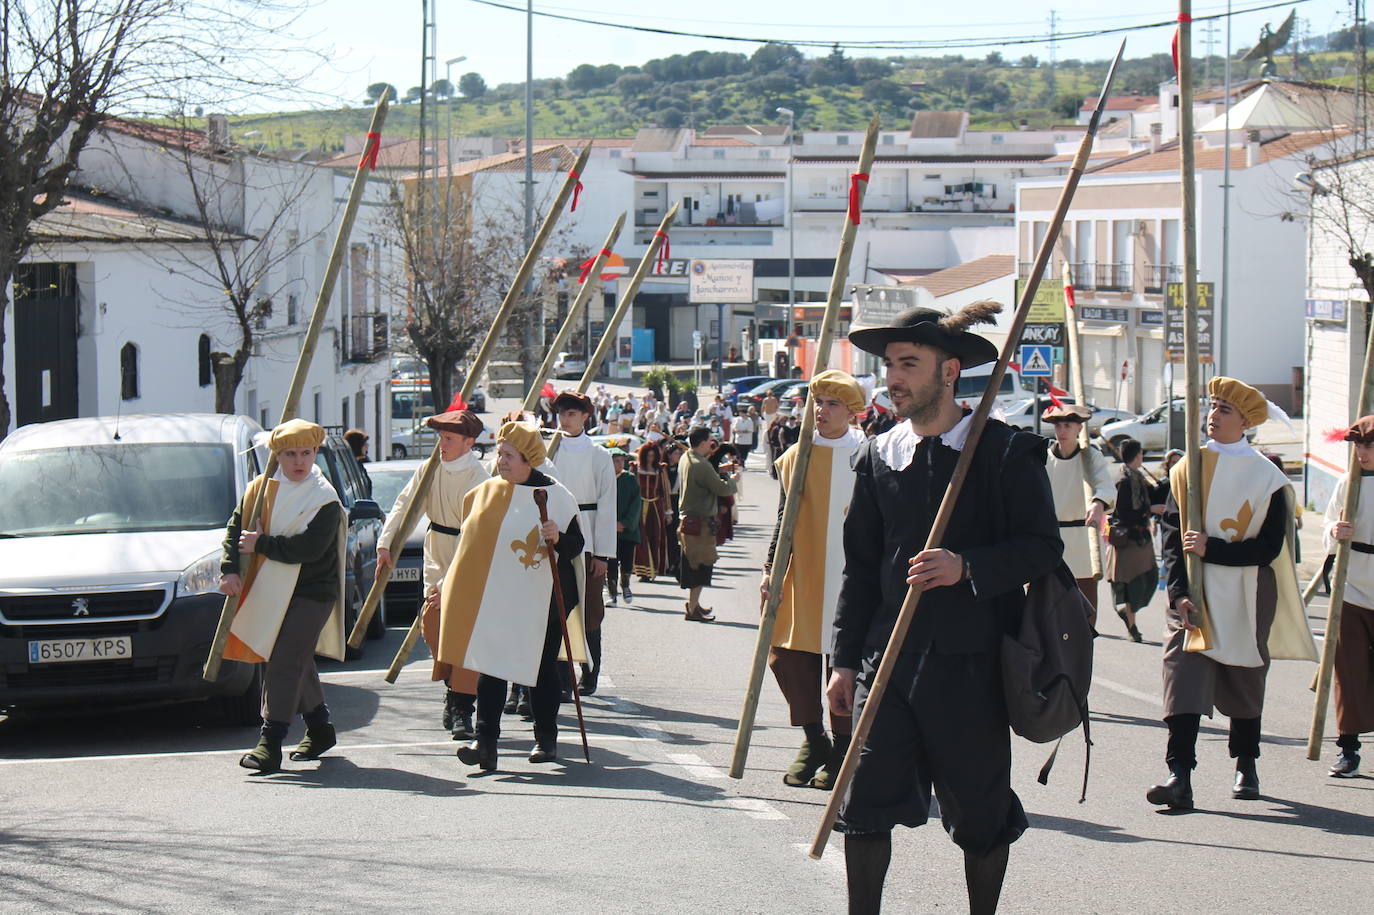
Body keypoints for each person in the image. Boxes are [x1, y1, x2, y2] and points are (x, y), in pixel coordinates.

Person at [828, 302, 1062, 915]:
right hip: (890, 664)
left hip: (973, 665)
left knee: (981, 815)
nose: (893, 378)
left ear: (950, 371)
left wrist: (969, 567)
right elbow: (860, 569)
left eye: (909, 363)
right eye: (889, 365)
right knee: (863, 805)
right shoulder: (880, 456)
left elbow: (1042, 548)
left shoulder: (1006, 452)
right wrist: (845, 662)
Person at [1147, 376, 1316, 810]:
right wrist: (1179, 592)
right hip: (1195, 595)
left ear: (1245, 420)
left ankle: (1246, 764)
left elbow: (1269, 547)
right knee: (1182, 676)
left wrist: (1213, 549)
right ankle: (1178, 774)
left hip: (1247, 591)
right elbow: (1171, 535)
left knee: (1243, 677)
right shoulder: (1188, 468)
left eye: (1225, 409)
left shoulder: (1268, 479)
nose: (1213, 415)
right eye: (1212, 406)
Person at [441, 422, 586, 770]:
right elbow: (470, 549)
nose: (500, 460)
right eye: (499, 453)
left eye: (508, 455)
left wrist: (558, 537)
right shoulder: (483, 494)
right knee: (492, 668)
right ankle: (485, 742)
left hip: (545, 602)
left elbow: (577, 546)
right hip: (498, 599)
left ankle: (546, 739)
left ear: (528, 459)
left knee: (540, 671)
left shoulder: (557, 495)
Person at [219, 419, 347, 773]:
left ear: (316, 452)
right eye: (290, 454)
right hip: (268, 588)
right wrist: (229, 569)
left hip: (311, 591)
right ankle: (320, 728)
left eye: (306, 453)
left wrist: (262, 544)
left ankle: (270, 741)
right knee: (293, 658)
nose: (298, 462)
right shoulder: (260, 490)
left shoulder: (324, 499)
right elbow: (236, 529)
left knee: (284, 660)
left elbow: (308, 548)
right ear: (277, 455)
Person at [761, 370, 866, 791]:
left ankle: (843, 747)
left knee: (844, 664)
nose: (821, 411)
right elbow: (782, 520)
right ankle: (813, 739)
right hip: (801, 571)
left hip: (850, 575)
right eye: (816, 402)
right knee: (786, 657)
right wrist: (770, 568)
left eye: (831, 404)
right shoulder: (795, 456)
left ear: (851, 411)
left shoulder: (869, 455)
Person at [375, 409, 488, 739]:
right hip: (437, 550)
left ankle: (463, 710)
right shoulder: (430, 467)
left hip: (466, 557)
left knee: (464, 635)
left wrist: (449, 582)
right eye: (440, 437)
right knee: (435, 627)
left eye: (449, 438)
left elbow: (477, 535)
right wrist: (386, 543)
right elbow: (405, 503)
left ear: (469, 442)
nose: (442, 444)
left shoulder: (479, 478)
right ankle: (454, 689)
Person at [549, 391, 617, 696]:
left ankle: (590, 672)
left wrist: (602, 553)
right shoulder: (550, 453)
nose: (565, 420)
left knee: (589, 611)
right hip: (557, 537)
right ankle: (561, 678)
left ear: (585, 417)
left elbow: (607, 506)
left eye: (572, 414)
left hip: (589, 537)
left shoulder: (600, 456)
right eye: (561, 414)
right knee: (560, 609)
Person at [1320, 415, 1374, 778]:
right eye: (1357, 445)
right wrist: (1334, 531)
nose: (1362, 452)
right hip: (1351, 584)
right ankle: (1348, 748)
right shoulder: (1347, 483)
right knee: (1348, 670)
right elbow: (1326, 526)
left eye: (1369, 445)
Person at [1042, 403, 1115, 625]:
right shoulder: (1045, 458)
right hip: (1051, 537)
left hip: (1084, 539)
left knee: (1084, 609)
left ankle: (1083, 650)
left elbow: (1106, 487)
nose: (1062, 431)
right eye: (1059, 426)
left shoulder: (1090, 457)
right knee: (1045, 606)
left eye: (1068, 425)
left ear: (1078, 429)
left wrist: (1098, 503)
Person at [677, 426, 738, 622]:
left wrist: (719, 470)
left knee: (698, 565)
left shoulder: (687, 457)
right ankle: (692, 608)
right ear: (703, 442)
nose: (712, 444)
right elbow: (722, 489)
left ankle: (694, 605)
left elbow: (705, 475)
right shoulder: (700, 464)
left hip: (691, 521)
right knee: (700, 566)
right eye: (710, 441)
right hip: (699, 524)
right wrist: (733, 479)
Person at [1106, 438, 1160, 643]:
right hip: (1127, 541)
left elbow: (1152, 496)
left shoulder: (1137, 477)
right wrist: (1149, 511)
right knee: (1132, 586)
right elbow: (1122, 512)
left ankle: (1130, 620)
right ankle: (1132, 626)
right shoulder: (1124, 480)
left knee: (1150, 579)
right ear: (1137, 455)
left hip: (1141, 540)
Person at [606, 447, 642, 607]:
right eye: (616, 460)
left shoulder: (630, 479)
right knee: (610, 563)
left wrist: (626, 523)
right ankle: (612, 594)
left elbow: (636, 504)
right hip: (608, 530)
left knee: (627, 562)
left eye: (621, 461)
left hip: (627, 531)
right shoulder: (604, 478)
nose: (619, 464)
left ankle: (625, 584)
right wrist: (608, 523)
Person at [633, 440, 671, 582]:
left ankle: (654, 569)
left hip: (655, 508)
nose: (650, 459)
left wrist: (668, 511)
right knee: (640, 539)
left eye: (653, 456)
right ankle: (642, 570)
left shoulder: (660, 470)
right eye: (648, 456)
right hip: (639, 507)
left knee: (655, 538)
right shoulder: (635, 469)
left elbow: (665, 491)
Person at [342, 427, 372, 496]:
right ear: (357, 446)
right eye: (364, 444)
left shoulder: (359, 464)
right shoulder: (347, 468)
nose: (367, 446)